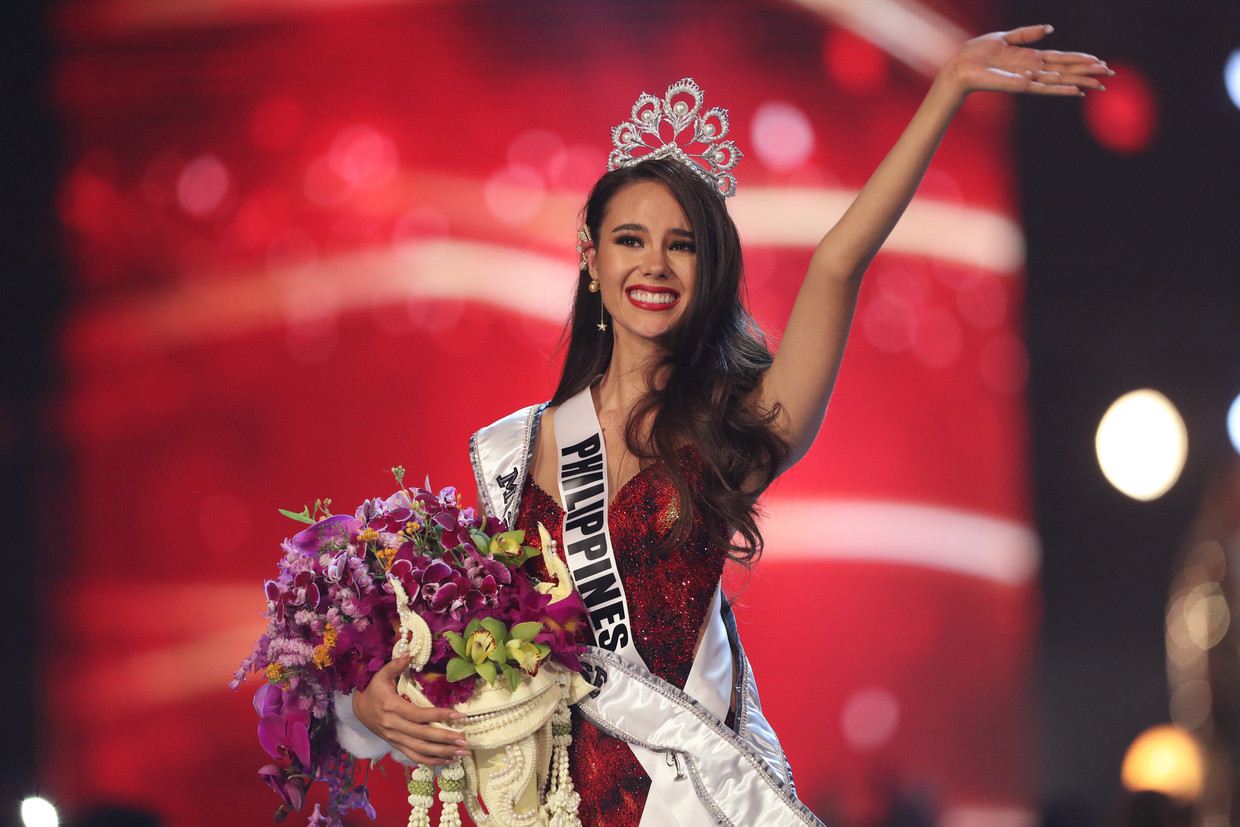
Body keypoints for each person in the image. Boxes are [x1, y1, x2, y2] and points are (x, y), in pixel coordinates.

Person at [339, 24, 1110, 826]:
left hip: (694, 805)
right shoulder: (516, 449)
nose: (654, 266)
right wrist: (368, 709)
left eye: (682, 247)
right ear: (590, 259)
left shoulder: (730, 436)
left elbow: (838, 263)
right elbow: (461, 666)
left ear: (709, 272)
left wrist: (947, 87)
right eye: (630, 240)